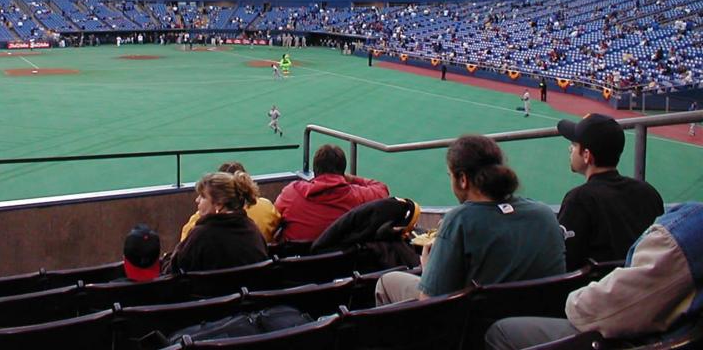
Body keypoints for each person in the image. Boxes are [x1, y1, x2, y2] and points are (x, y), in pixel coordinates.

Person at [375, 135, 565, 305]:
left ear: (463, 179)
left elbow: (430, 302)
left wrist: (428, 268)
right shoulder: (544, 214)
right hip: (542, 325)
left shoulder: (459, 221)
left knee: (386, 282)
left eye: (451, 176)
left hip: (479, 327)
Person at [485, 202, 703, 349]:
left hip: (641, 338)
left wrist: (573, 300)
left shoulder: (688, 230)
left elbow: (604, 311)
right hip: (671, 329)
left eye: (576, 145)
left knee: (501, 331)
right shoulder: (647, 194)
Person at [556, 113, 664, 271]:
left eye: (574, 144)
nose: (570, 149)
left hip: (599, 291)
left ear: (587, 156)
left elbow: (565, 263)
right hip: (646, 287)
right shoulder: (648, 192)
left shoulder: (579, 199)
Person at [275, 144, 389, 241]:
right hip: (342, 264)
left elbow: (273, 219)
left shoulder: (292, 193)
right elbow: (382, 189)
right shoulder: (358, 195)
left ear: (315, 170)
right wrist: (351, 179)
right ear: (343, 172)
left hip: (297, 263)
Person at [164, 171, 268, 274]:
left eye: (203, 196)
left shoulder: (200, 236)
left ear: (219, 203)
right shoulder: (252, 229)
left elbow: (171, 273)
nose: (197, 200)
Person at [179, 162, 281, 243]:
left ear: (219, 200)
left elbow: (180, 254)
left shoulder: (199, 225)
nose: (197, 200)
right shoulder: (255, 224)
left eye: (203, 196)